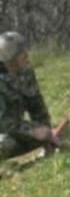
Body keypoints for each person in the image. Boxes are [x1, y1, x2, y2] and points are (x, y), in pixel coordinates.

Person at [0, 31, 60, 159]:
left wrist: (46, 132)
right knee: (5, 144)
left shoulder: (26, 71)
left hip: (15, 129)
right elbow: (5, 123)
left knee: (42, 134)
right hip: (4, 130)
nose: (27, 56)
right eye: (21, 55)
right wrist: (33, 131)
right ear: (9, 59)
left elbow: (36, 104)